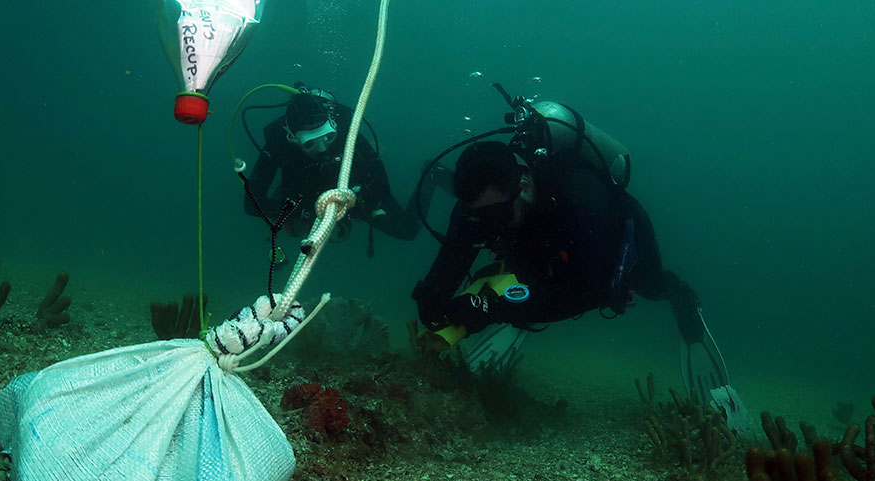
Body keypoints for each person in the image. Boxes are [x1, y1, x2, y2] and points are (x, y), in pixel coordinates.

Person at [411, 132, 748, 432]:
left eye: (495, 216)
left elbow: (589, 292)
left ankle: (681, 297)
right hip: (541, 252)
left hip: (613, 242)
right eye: (478, 217)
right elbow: (451, 262)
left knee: (646, 283)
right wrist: (434, 298)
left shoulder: (577, 198)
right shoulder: (480, 207)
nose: (486, 226)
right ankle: (515, 295)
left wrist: (493, 308)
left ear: (523, 187)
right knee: (514, 274)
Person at [242, 84, 431, 252]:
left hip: (355, 192)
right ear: (292, 137)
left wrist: (358, 200)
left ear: (333, 125)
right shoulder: (279, 143)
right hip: (303, 194)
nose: (322, 148)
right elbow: (252, 204)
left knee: (408, 230)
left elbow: (381, 182)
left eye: (328, 137)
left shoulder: (344, 130)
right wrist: (299, 210)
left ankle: (432, 175)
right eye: (310, 144)